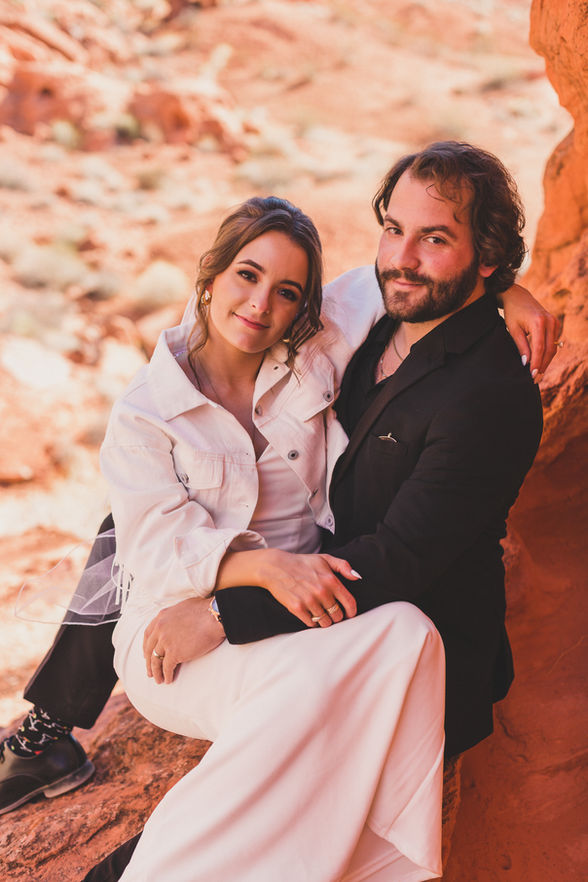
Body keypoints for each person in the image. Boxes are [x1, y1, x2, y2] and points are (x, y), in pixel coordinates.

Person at [78, 140, 548, 880]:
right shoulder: (146, 414)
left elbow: (392, 285)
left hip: (336, 608)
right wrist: (246, 579)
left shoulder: (317, 348)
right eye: (394, 229)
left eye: (436, 237)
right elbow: (157, 551)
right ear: (210, 277)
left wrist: (501, 289)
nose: (262, 304)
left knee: (400, 635)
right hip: (183, 625)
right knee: (361, 660)